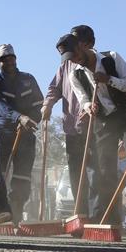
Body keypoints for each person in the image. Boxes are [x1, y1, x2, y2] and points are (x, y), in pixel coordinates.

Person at [59, 28, 126, 226]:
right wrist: (88, 106)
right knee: (104, 168)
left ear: (82, 46)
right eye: (69, 58)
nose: (74, 60)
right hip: (103, 121)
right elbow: (83, 98)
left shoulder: (111, 58)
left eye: (75, 54)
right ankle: (110, 219)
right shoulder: (75, 74)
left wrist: (109, 80)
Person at [0, 44, 43, 224]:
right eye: (4, 60)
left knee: (22, 176)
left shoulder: (28, 79)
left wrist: (31, 119)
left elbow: (39, 104)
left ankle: (16, 212)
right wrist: (19, 117)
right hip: (2, 134)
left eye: (12, 58)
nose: (10, 62)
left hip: (26, 133)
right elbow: (1, 106)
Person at [42, 35, 91, 216]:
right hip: (71, 127)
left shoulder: (94, 62)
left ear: (80, 46)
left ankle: (98, 215)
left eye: (71, 53)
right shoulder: (64, 67)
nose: (70, 59)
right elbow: (54, 88)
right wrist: (47, 105)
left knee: (95, 172)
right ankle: (81, 215)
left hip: (93, 126)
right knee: (76, 172)